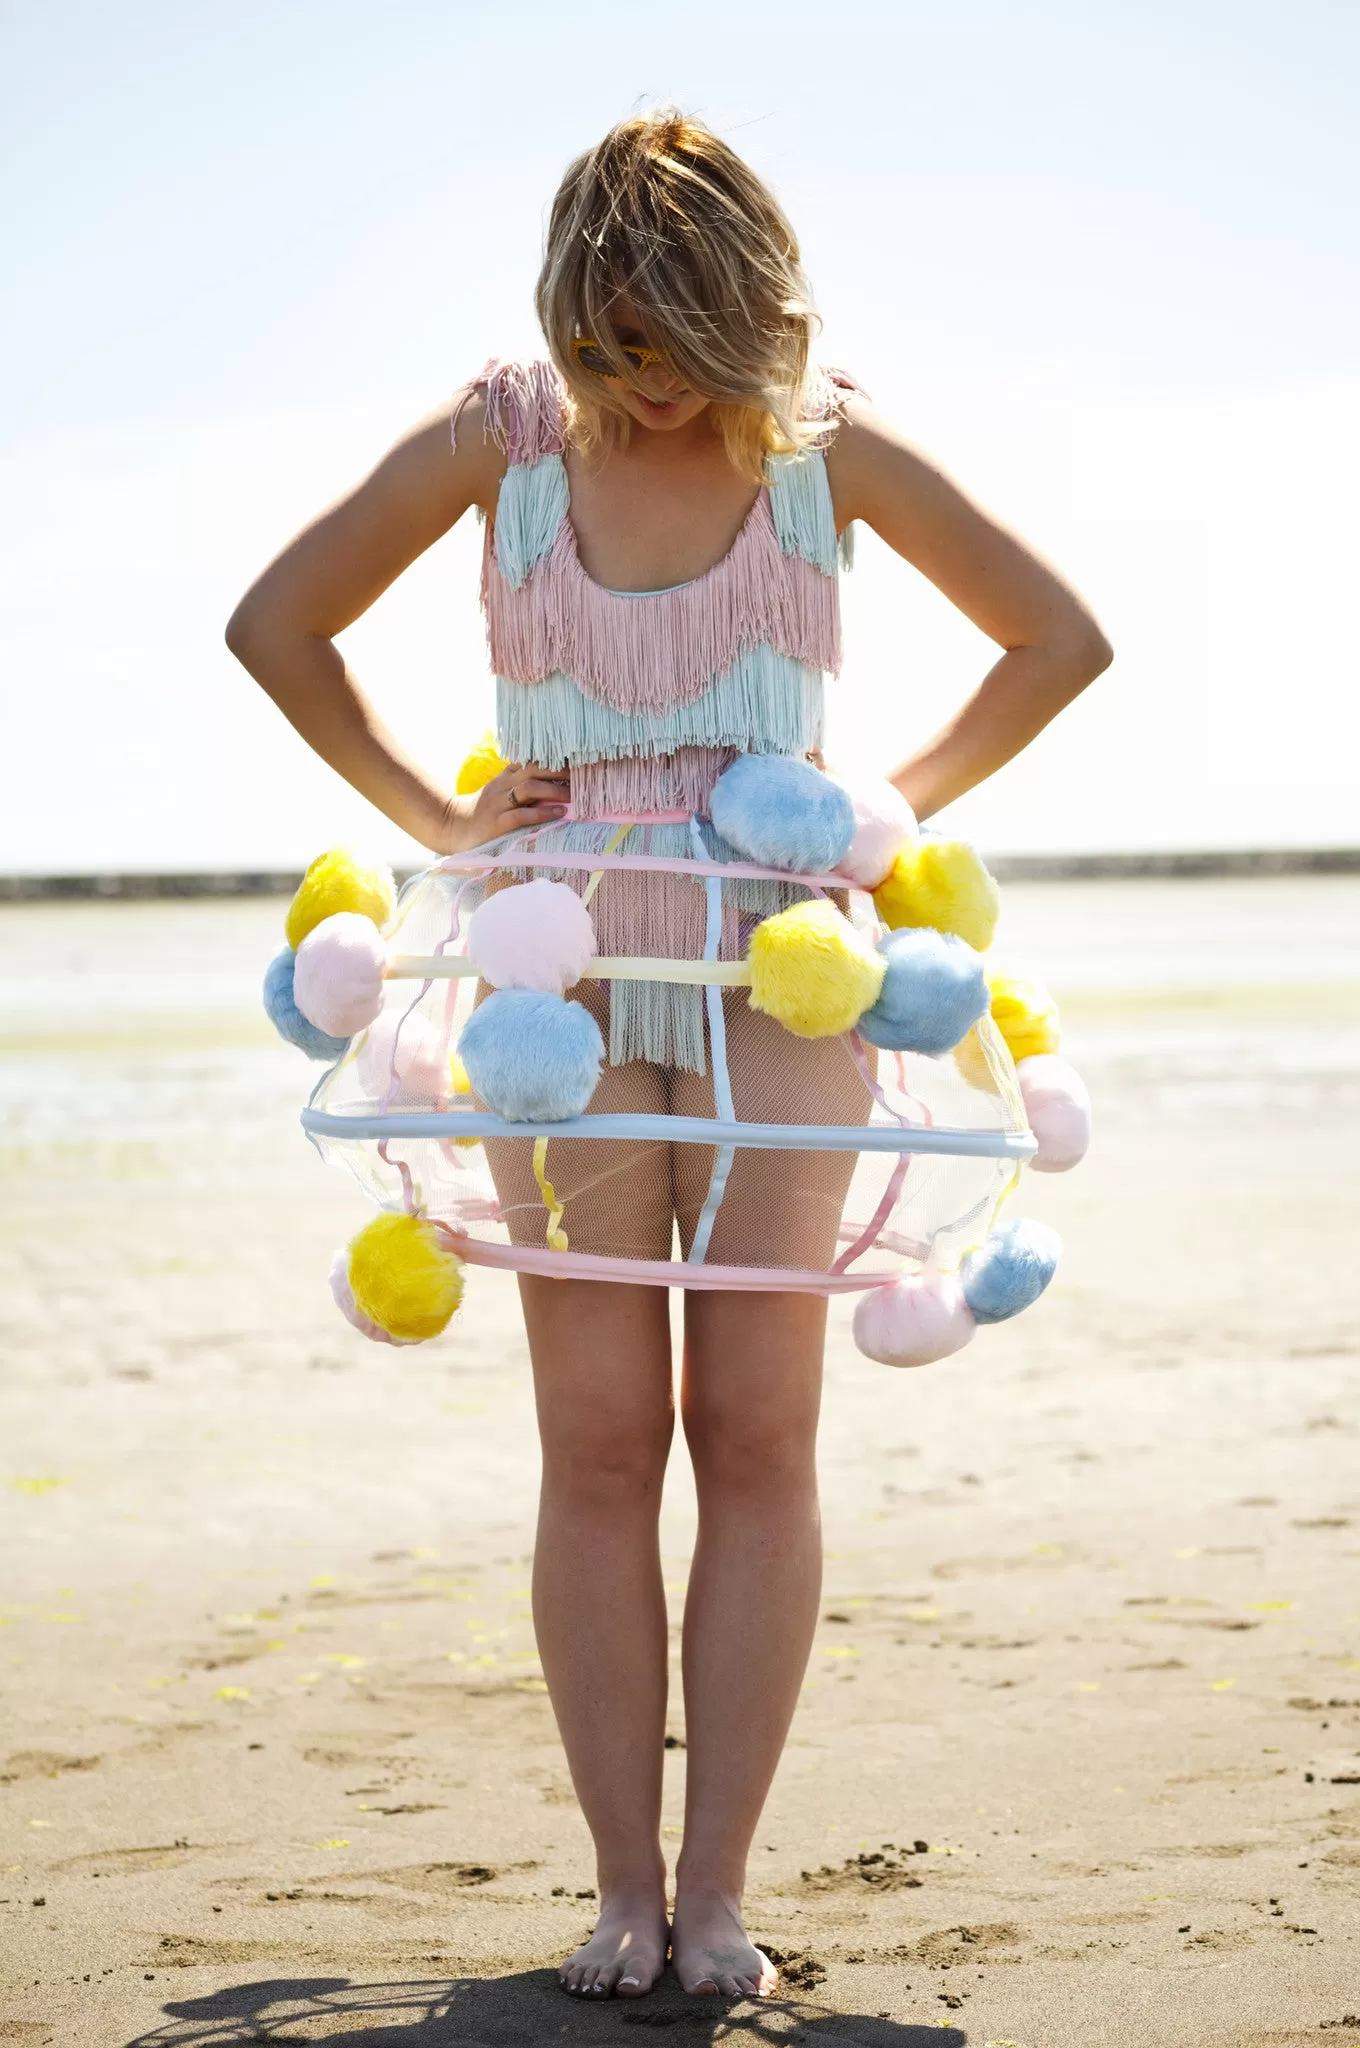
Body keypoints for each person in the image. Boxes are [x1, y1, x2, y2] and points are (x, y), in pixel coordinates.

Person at [226, 110, 1111, 2003]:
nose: (639, 388)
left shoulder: (825, 446)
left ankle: (719, 1896)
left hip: (779, 988)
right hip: (559, 980)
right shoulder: (504, 435)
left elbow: (1061, 637)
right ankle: (620, 1890)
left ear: (746, 322)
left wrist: (883, 813)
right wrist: (435, 821)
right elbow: (276, 620)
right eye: (609, 344)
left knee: (761, 1430)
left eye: (675, 348)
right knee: (603, 1439)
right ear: (565, 318)